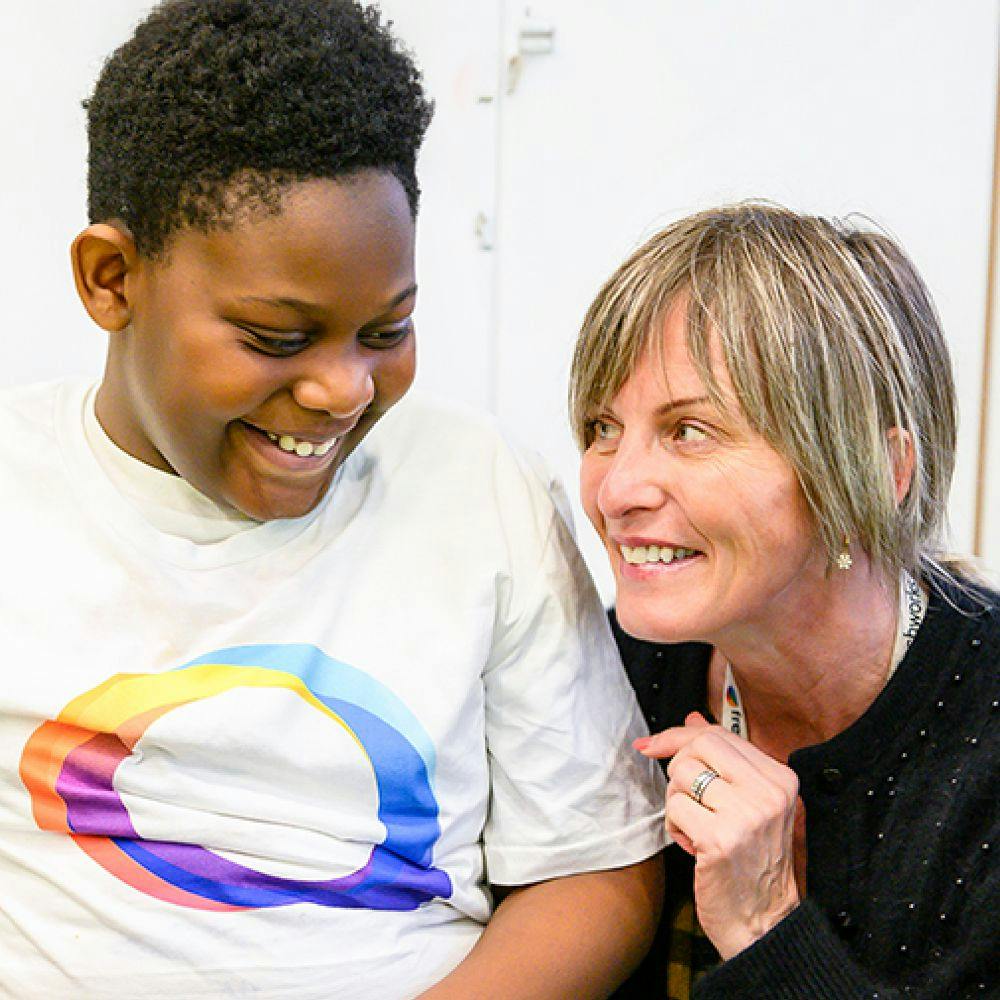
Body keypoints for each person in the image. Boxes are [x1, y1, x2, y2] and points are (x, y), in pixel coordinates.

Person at [0, 2, 667, 996]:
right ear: (110, 279)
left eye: (386, 330)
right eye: (276, 338)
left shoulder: (479, 487)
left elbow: (594, 868)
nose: (342, 389)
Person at [569, 203, 999, 999]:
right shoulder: (599, 672)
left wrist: (766, 926)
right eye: (603, 427)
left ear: (875, 468)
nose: (616, 489)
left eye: (690, 430)